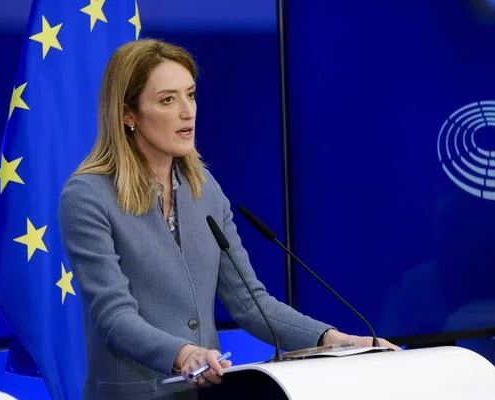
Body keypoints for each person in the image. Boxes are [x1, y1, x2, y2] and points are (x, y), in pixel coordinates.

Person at [57, 38, 400, 400]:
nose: (187, 111)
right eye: (168, 100)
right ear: (128, 114)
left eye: (190, 95)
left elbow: (251, 304)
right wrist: (184, 354)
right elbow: (113, 316)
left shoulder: (204, 191)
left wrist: (336, 340)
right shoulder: (88, 197)